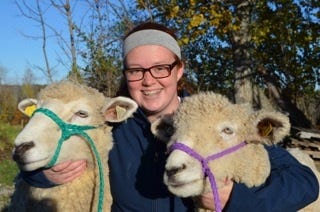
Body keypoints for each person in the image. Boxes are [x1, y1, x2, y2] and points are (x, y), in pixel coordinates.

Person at [20, 22, 319, 211]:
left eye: (160, 68)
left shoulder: (218, 123)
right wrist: (42, 175)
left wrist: (236, 202)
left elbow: (304, 181)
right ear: (127, 75)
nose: (149, 80)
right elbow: (51, 148)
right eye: (136, 71)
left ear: (179, 71)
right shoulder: (112, 127)